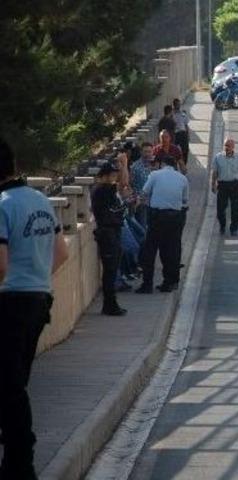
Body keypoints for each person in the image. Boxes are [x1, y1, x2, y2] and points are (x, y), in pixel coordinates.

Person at [0, 138, 69, 480]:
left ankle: (20, 466)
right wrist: (35, 278)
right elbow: (62, 253)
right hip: (38, 301)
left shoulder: (2, 205)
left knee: (9, 390)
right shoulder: (41, 201)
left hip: (9, 303)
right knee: (16, 384)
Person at [136, 156, 188, 294]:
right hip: (175, 218)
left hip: (157, 217)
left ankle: (147, 284)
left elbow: (144, 192)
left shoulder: (155, 174)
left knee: (150, 250)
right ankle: (170, 282)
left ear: (161, 164)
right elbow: (185, 199)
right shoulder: (182, 178)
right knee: (171, 250)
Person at [91, 163, 128, 316]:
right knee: (110, 271)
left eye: (115, 174)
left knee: (112, 270)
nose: (115, 177)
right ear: (104, 175)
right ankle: (109, 306)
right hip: (107, 233)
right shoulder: (103, 190)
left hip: (112, 232)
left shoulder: (106, 190)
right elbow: (124, 184)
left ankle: (112, 304)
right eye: (112, 175)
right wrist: (125, 163)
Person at [211, 138, 238, 236]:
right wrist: (213, 184)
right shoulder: (218, 157)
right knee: (220, 210)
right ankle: (222, 226)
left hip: (235, 185)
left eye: (229, 146)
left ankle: (234, 228)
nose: (227, 148)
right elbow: (215, 172)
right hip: (222, 185)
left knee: (235, 208)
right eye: (225, 145)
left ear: (233, 147)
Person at [130, 142, 157, 228]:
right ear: (141, 152)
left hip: (154, 201)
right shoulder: (135, 166)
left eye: (149, 151)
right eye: (145, 151)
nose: (148, 154)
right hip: (141, 203)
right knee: (143, 227)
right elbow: (130, 183)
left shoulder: (155, 165)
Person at [172, 98, 191, 165]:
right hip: (175, 134)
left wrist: (188, 135)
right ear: (174, 105)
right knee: (173, 150)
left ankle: (184, 164)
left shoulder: (183, 114)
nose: (179, 106)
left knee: (185, 150)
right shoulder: (171, 115)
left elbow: (186, 125)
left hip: (183, 133)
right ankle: (174, 164)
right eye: (177, 104)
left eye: (179, 104)